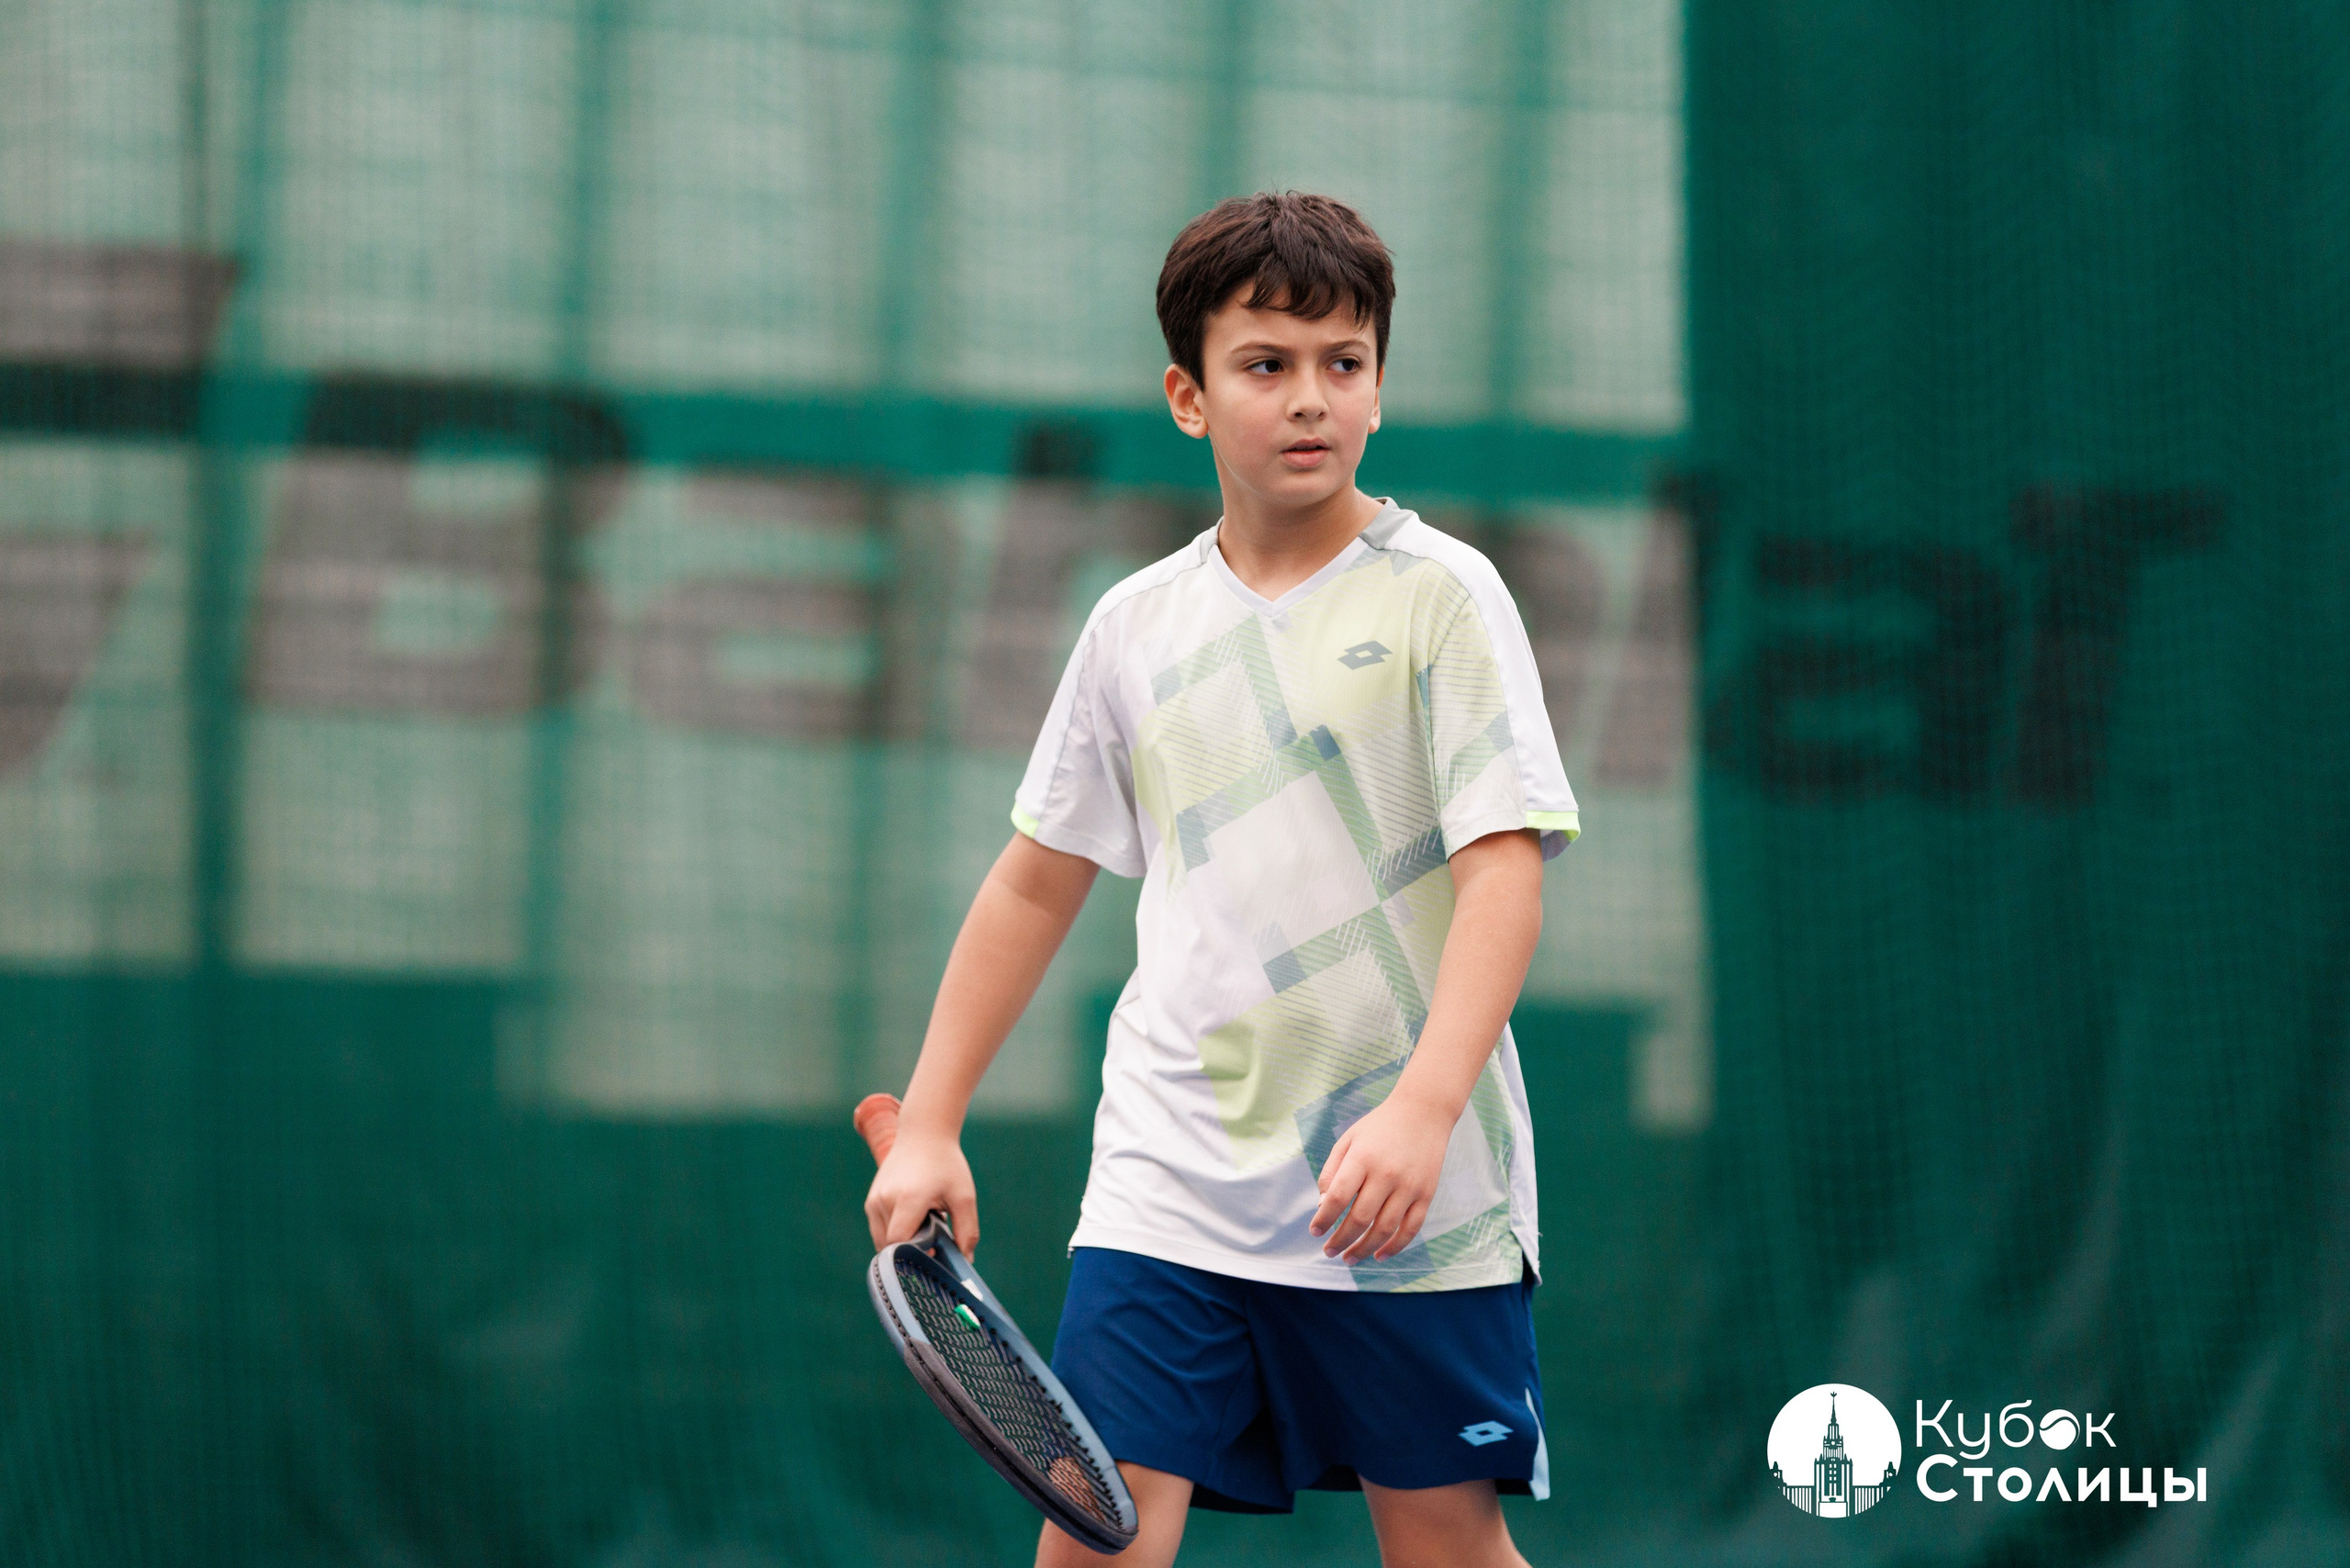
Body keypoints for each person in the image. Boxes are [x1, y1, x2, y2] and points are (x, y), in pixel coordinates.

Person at [864, 191, 1579, 1568]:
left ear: (1378, 385)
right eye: (1266, 365)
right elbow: (1034, 880)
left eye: (1344, 363)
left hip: (1410, 1199)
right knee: (1096, 1549)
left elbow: (1505, 879)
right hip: (1168, 1189)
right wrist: (932, 1120)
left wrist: (1426, 1112)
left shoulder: (1446, 597)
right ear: (1189, 398)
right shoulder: (1136, 625)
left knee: (1443, 1550)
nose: (1310, 399)